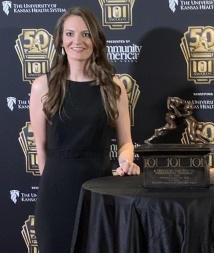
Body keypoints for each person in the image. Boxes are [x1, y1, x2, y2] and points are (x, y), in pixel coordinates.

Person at [29, 6, 140, 253]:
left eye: (85, 34)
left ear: (96, 40)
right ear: (60, 40)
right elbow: (41, 152)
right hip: (56, 194)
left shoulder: (113, 86)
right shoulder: (42, 87)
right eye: (69, 34)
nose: (76, 41)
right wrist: (54, 185)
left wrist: (125, 162)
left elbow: (126, 143)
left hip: (100, 190)